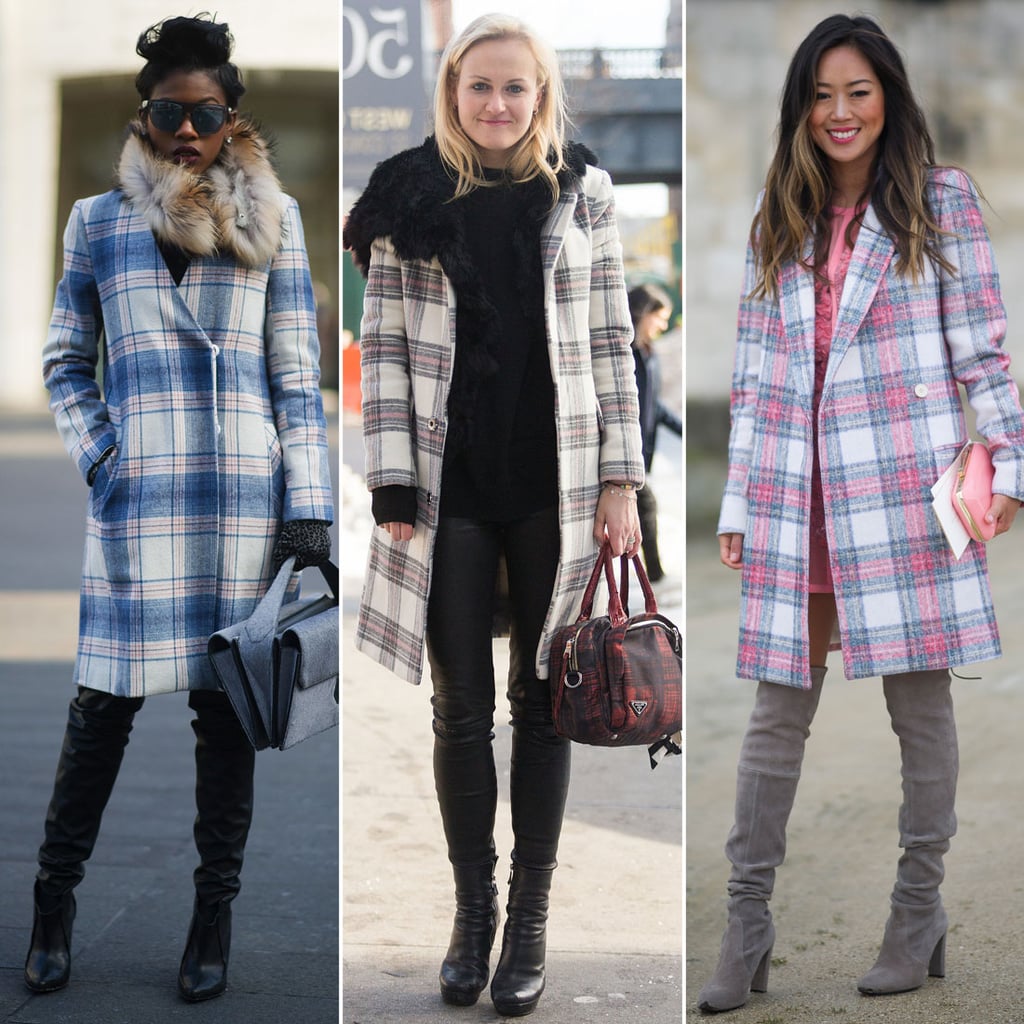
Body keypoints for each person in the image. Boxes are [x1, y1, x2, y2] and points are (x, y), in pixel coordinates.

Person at [698, 13, 1024, 1014]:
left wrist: (1008, 459)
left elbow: (983, 348)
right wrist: (740, 496)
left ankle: (914, 911)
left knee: (918, 707)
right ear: (800, 107)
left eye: (858, 92)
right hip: (797, 498)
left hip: (900, 491)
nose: (839, 113)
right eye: (821, 94)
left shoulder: (941, 201)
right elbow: (752, 380)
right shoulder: (776, 215)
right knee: (772, 716)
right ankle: (743, 929)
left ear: (888, 99)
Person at [25, 14, 334, 1003]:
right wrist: (104, 459)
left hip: (240, 514)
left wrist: (311, 511)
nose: (188, 129)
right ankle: (53, 900)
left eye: (206, 113)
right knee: (97, 713)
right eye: (170, 112)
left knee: (224, 721)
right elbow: (65, 364)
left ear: (232, 119)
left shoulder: (273, 228)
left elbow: (298, 381)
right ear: (144, 117)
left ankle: (213, 915)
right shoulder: (94, 223)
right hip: (137, 506)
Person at [343, 13, 644, 1017]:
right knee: (458, 707)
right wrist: (389, 478)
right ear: (452, 89)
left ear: (541, 93)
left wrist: (621, 482)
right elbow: (379, 345)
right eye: (481, 86)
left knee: (545, 704)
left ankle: (529, 921)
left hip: (553, 486)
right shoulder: (405, 196)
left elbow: (613, 348)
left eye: (516, 87)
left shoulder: (584, 192)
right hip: (447, 487)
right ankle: (471, 918)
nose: (499, 104)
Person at [628, 282, 682, 584]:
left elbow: (655, 406)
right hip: (627, 452)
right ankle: (657, 576)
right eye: (659, 317)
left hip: (644, 453)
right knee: (647, 506)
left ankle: (654, 576)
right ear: (642, 313)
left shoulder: (650, 355)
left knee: (642, 510)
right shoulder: (626, 355)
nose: (663, 324)